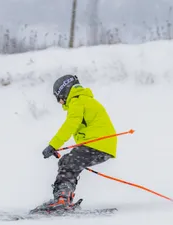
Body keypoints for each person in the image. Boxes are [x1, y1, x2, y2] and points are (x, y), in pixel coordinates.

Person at [33, 74, 117, 212]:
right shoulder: (84, 100)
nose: (61, 103)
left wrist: (53, 145)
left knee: (69, 163)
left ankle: (62, 199)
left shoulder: (77, 101)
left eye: (60, 99)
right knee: (67, 161)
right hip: (101, 146)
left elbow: (71, 124)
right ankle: (64, 197)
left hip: (97, 145)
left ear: (65, 92)